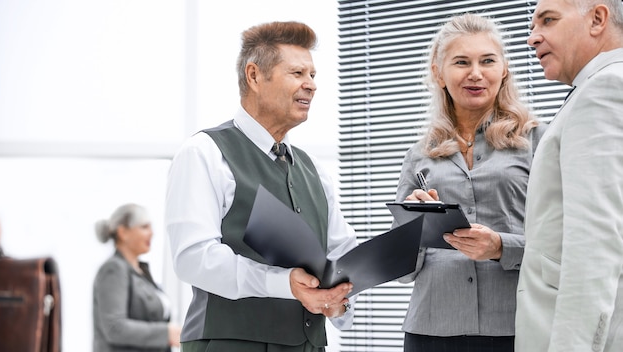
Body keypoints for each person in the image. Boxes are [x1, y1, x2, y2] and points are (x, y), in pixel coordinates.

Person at [164, 21, 358, 352]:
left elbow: (341, 255)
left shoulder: (314, 171)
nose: (311, 85)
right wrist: (283, 284)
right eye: (297, 73)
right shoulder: (205, 152)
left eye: (313, 75)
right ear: (254, 76)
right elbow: (193, 258)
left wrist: (339, 303)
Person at [393, 13, 546, 351]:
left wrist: (502, 247)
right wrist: (414, 228)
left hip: (514, 327)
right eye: (461, 62)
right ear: (438, 72)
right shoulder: (419, 154)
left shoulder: (539, 141)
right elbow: (401, 269)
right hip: (430, 330)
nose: (476, 73)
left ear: (503, 69)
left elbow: (563, 241)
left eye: (487, 61)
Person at [515, 0, 623, 351]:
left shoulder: (603, 92)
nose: (533, 38)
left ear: (597, 19)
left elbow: (594, 243)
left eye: (548, 20)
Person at [93, 203, 181, 352]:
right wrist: (167, 333)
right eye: (144, 227)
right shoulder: (113, 270)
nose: (152, 233)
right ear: (123, 233)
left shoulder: (142, 272)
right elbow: (115, 327)